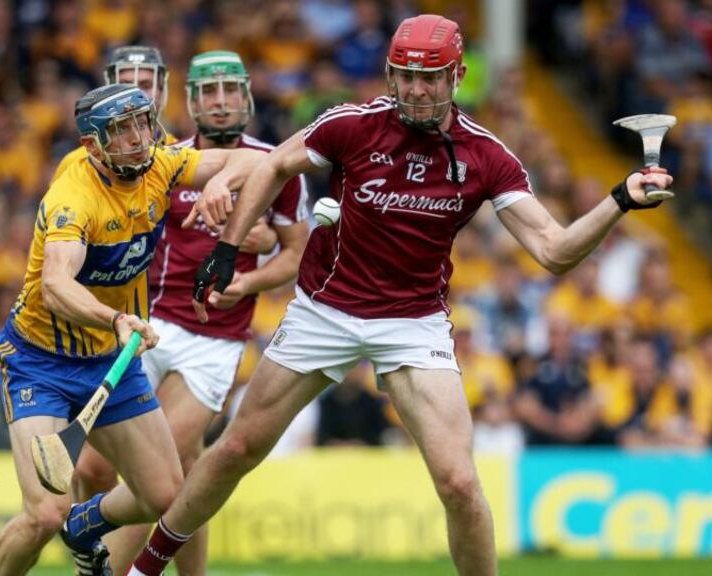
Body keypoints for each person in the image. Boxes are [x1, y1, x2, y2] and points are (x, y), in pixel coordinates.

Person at [131, 14, 673, 576]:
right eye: (405, 76)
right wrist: (228, 246)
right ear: (390, 75)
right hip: (326, 310)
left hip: (413, 324)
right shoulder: (351, 124)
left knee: (460, 482)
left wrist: (620, 201)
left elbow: (554, 250)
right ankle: (145, 568)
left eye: (431, 78)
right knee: (237, 449)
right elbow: (274, 164)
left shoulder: (488, 157)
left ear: (457, 76)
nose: (416, 89)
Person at [0, 83, 266, 576]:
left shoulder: (159, 163)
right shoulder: (74, 198)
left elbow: (247, 161)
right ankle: (59, 524)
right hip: (40, 363)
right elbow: (55, 284)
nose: (139, 137)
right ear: (94, 145)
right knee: (42, 514)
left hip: (110, 359)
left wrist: (221, 183)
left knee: (165, 495)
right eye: (123, 130)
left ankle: (83, 525)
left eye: (142, 122)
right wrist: (115, 319)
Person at [70, 51, 309, 575]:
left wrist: (246, 281)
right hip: (152, 326)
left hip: (215, 338)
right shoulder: (165, 161)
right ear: (189, 100)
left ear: (246, 96)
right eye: (208, 92)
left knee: (168, 464)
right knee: (97, 467)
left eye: (229, 90)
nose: (219, 102)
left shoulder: (277, 166)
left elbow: (296, 255)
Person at [52, 45, 177, 184]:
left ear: (162, 92)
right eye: (124, 86)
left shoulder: (181, 153)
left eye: (145, 85)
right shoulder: (74, 163)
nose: (133, 96)